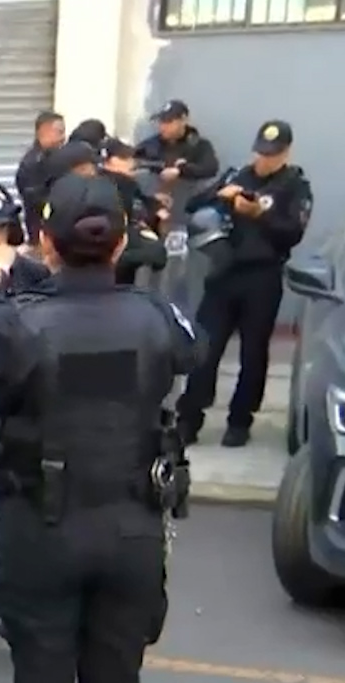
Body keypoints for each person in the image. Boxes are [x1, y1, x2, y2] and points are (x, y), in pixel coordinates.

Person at [0, 172, 202, 683]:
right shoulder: (157, 316)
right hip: (132, 527)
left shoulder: (13, 324)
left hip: (42, 528)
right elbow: (194, 351)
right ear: (119, 243)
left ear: (45, 243)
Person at [176, 120, 312, 448]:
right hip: (224, 274)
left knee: (253, 353)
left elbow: (292, 232)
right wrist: (219, 195)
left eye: (272, 154)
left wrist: (257, 213)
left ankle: (240, 420)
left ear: (286, 152)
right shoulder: (239, 174)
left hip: (262, 277)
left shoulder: (295, 186)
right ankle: (190, 419)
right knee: (205, 350)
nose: (264, 160)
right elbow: (194, 207)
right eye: (261, 153)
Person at [100, 138, 169, 286]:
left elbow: (141, 199)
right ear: (110, 161)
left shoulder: (124, 182)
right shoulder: (120, 183)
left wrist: (155, 205)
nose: (131, 163)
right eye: (125, 158)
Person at [134, 99, 219, 187]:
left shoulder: (200, 146)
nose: (163, 127)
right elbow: (132, 160)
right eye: (161, 121)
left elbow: (210, 168)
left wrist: (181, 170)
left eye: (169, 121)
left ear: (183, 120)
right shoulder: (152, 145)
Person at [16, 111, 66, 245]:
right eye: (59, 132)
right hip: (41, 236)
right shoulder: (33, 163)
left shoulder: (55, 158)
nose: (63, 138)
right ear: (43, 132)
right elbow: (34, 200)